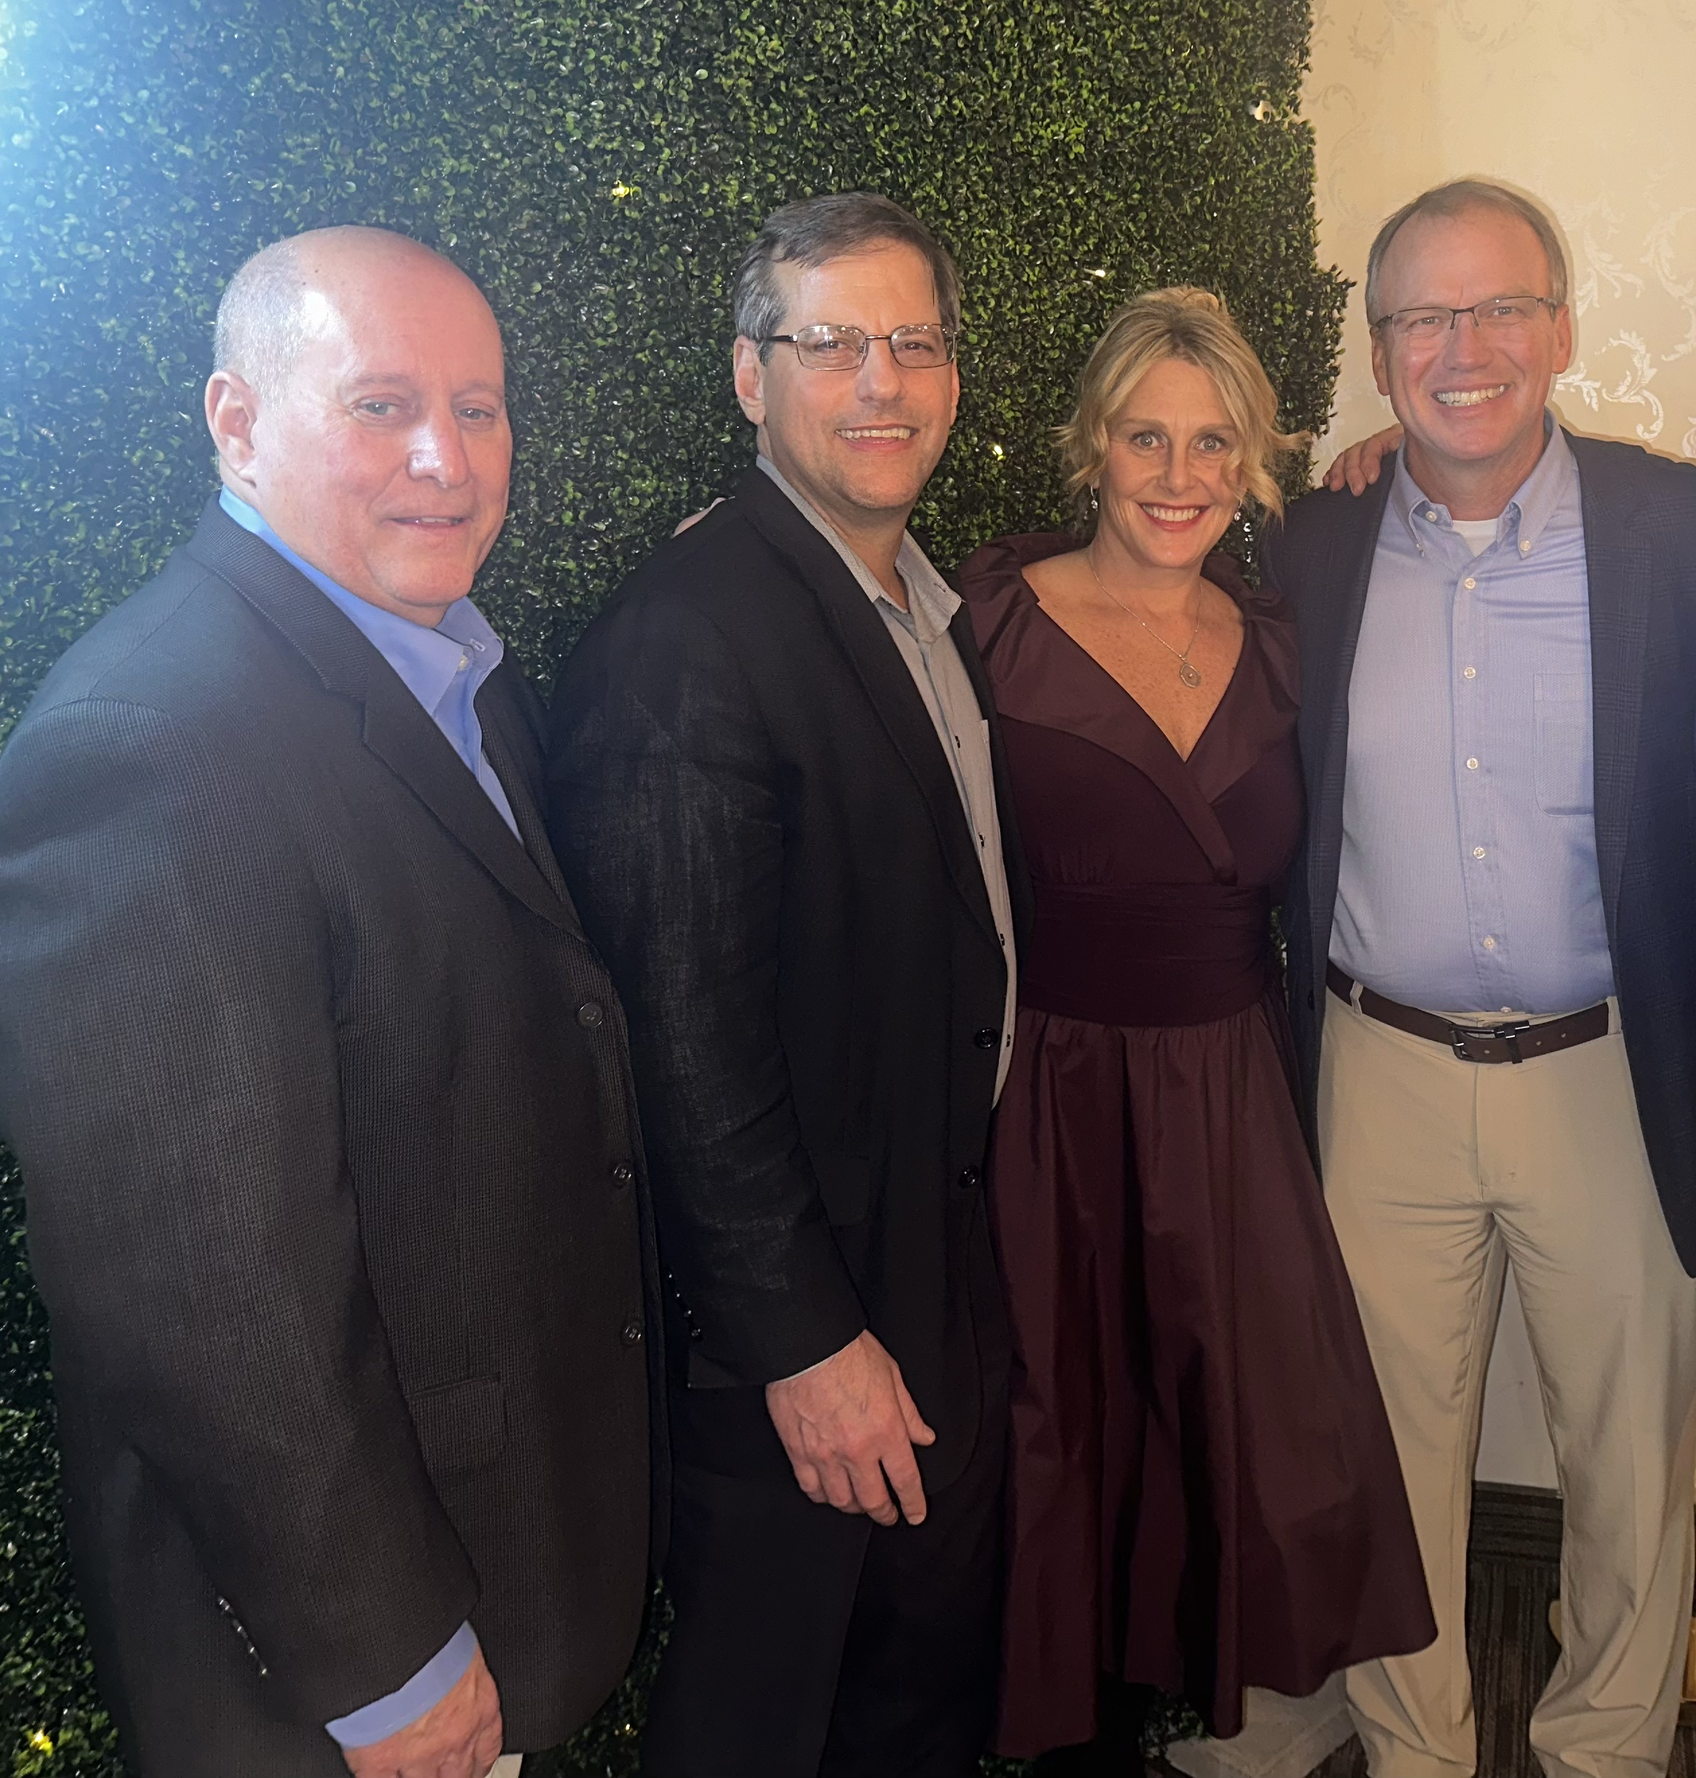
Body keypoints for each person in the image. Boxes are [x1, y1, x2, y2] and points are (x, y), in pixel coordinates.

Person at [0, 226, 658, 1778]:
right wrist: (389, 1665)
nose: (446, 456)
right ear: (237, 421)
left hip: (487, 1547)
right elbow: (202, 1288)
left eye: (480, 406)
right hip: (347, 1679)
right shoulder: (153, 739)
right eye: (379, 404)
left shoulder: (460, 673)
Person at [1272, 181, 1696, 1778]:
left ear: (1558, 327)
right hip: (1376, 1071)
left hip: (1612, 1071)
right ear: (1379, 346)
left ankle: (1607, 1750)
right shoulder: (1308, 539)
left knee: (1630, 1463)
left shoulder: (1677, 529)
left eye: (1499, 310)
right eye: (1423, 317)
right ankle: (1416, 1750)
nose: (1463, 349)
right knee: (1384, 1461)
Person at [544, 193, 1022, 1778]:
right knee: (774, 1715)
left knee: (903, 1697)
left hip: (920, 1255)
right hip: (800, 1335)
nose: (881, 380)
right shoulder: (691, 637)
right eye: (831, 343)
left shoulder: (915, 606)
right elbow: (677, 1049)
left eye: (913, 341)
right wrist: (808, 1347)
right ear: (752, 378)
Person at [957, 287, 1433, 1773]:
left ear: (1257, 459)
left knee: (1247, 1433)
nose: (1176, 475)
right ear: (1090, 447)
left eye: (1212, 441)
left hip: (1233, 1093)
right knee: (1063, 1432)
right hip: (1051, 1096)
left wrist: (1383, 453)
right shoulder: (991, 621)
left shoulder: (1285, 637)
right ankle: (1067, 1736)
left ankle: (1223, 1714)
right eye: (1145, 437)